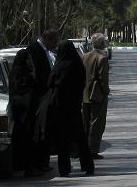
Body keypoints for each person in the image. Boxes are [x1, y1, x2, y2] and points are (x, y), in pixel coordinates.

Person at [39, 40, 95, 177]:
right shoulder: (78, 65)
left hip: (60, 108)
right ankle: (88, 166)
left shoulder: (59, 66)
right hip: (75, 107)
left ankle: (64, 169)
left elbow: (50, 83)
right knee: (80, 138)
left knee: (61, 140)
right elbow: (82, 83)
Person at [25, 28, 60, 172]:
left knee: (45, 132)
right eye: (55, 41)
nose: (56, 44)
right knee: (39, 133)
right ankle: (37, 163)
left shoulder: (46, 51)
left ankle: (42, 163)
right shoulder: (34, 49)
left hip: (46, 96)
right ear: (47, 39)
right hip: (38, 98)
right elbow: (35, 74)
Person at [8, 49, 38, 176]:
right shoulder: (19, 73)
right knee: (25, 139)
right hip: (22, 112)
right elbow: (21, 88)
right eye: (28, 59)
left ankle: (26, 167)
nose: (30, 61)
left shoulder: (20, 72)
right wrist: (31, 77)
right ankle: (25, 167)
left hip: (25, 112)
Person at [82, 33, 110, 160]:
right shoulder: (102, 58)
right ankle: (92, 150)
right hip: (97, 95)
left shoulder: (85, 56)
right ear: (102, 44)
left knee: (86, 122)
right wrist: (106, 92)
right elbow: (103, 79)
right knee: (96, 123)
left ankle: (84, 149)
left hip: (85, 94)